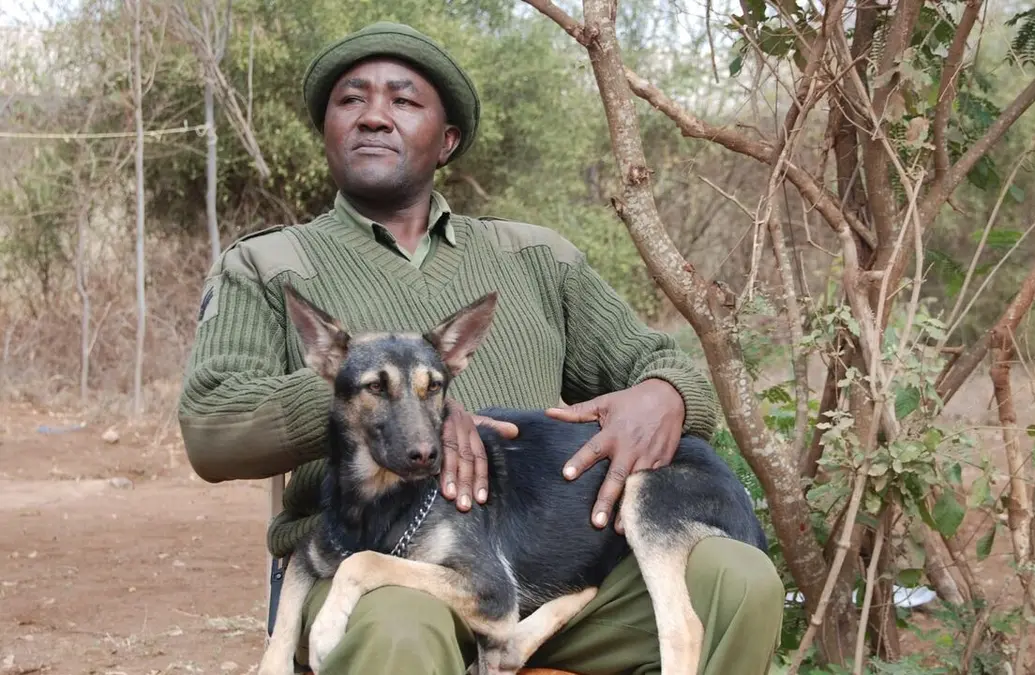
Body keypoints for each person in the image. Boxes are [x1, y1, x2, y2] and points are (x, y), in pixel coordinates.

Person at [177, 20, 784, 675]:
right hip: (385, 560)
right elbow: (213, 425)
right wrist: (395, 402)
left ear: (448, 141)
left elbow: (660, 365)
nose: (374, 117)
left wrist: (664, 393)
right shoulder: (269, 264)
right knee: (399, 626)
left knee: (739, 582)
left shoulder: (536, 259)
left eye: (403, 101)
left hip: (550, 572)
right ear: (326, 129)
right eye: (351, 100)